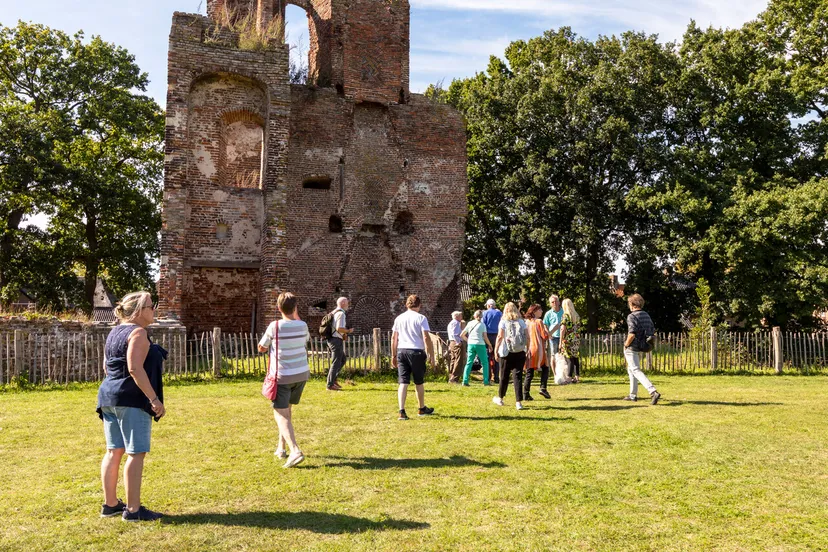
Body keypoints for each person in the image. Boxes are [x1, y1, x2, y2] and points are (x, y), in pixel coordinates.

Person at [96, 291, 166, 522]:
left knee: (113, 451)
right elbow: (135, 368)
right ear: (138, 311)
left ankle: (110, 505)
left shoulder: (114, 332)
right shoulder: (138, 332)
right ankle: (133, 510)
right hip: (131, 399)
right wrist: (154, 399)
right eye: (150, 305)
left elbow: (107, 367)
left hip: (108, 397)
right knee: (135, 453)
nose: (153, 309)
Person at [258, 292, 311, 467]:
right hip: (301, 374)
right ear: (295, 308)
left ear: (278, 308)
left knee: (280, 413)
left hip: (283, 376)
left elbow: (262, 348)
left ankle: (295, 450)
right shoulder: (303, 325)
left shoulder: (275, 326)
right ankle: (281, 447)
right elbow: (305, 341)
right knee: (287, 411)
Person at [391, 294, 436, 420]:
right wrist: (431, 354)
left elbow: (394, 338)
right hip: (416, 351)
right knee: (419, 382)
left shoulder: (399, 318)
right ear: (419, 305)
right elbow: (426, 337)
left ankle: (401, 411)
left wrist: (393, 354)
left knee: (403, 382)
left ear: (407, 304)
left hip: (401, 350)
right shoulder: (421, 318)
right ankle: (421, 408)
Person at [623, 293, 661, 405]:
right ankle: (633, 395)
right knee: (631, 369)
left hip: (633, 346)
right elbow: (652, 329)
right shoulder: (646, 315)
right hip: (643, 346)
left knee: (635, 370)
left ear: (632, 304)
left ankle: (652, 391)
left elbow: (632, 334)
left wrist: (626, 344)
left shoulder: (632, 316)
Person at [493, 302, 528, 410]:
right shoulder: (522, 322)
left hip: (506, 352)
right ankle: (518, 402)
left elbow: (500, 336)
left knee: (504, 375)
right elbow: (527, 336)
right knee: (517, 376)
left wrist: (496, 349)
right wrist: (528, 348)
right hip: (520, 351)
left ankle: (500, 398)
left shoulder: (503, 322)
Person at [522, 304, 550, 400]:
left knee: (529, 372)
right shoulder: (539, 322)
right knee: (545, 367)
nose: (542, 311)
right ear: (534, 311)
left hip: (529, 348)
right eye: (540, 310)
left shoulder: (526, 322)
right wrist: (547, 331)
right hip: (538, 349)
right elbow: (544, 336)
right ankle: (543, 388)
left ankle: (526, 393)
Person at [325, 297, 353, 391]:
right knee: (336, 362)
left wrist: (343, 334)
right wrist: (348, 331)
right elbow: (339, 328)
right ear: (343, 303)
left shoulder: (334, 312)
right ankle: (330, 384)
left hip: (333, 339)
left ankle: (334, 379)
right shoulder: (341, 313)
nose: (348, 304)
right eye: (347, 303)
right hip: (336, 340)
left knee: (342, 359)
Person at [460, 310, 493, 386]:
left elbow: (462, 335)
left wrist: (468, 340)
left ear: (474, 316)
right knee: (485, 363)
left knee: (469, 362)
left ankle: (465, 381)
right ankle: (486, 381)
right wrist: (490, 345)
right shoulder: (482, 325)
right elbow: (485, 337)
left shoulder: (470, 323)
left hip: (471, 344)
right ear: (481, 317)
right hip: (480, 344)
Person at [559, 299, 582, 383]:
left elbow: (562, 329)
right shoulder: (576, 316)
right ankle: (577, 377)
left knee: (569, 358)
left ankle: (568, 377)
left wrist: (560, 341)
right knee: (575, 357)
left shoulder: (565, 316)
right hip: (576, 339)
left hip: (568, 340)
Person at [542, 295, 564, 381]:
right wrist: (548, 334)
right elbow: (545, 324)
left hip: (563, 336)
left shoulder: (563, 312)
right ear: (550, 304)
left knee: (563, 356)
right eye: (552, 302)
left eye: (556, 301)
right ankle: (555, 374)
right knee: (553, 355)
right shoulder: (548, 313)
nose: (554, 303)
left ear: (559, 302)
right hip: (553, 337)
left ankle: (563, 373)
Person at [482, 299, 503, 383]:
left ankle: (488, 376)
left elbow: (484, 324)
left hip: (488, 336)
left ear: (488, 305)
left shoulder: (485, 313)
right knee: (496, 356)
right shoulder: (499, 313)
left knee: (487, 357)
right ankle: (497, 377)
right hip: (497, 336)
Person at [446, 311, 465, 383]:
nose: (461, 317)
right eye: (460, 316)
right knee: (458, 360)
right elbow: (455, 334)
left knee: (453, 359)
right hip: (456, 342)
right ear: (456, 316)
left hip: (452, 342)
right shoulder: (456, 323)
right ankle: (454, 378)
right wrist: (458, 342)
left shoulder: (451, 323)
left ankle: (451, 376)